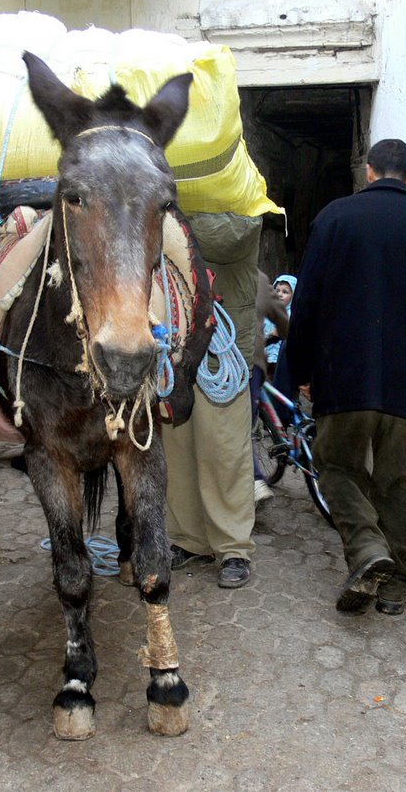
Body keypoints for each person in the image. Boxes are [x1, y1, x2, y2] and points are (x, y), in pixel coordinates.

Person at [285, 139, 406, 617]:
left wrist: (299, 371)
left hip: (343, 377)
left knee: (337, 466)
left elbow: (307, 305)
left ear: (369, 172)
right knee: (397, 481)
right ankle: (395, 587)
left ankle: (368, 550)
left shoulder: (335, 219)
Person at [162, 213, 262, 589]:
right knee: (179, 448)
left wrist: (168, 211)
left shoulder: (243, 206)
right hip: (176, 346)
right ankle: (190, 539)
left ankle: (233, 547)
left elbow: (228, 239)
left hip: (224, 352)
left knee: (223, 451)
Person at [251, 271, 290, 505]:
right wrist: (282, 332)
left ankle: (256, 480)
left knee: (242, 429)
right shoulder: (260, 279)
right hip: (254, 360)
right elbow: (282, 318)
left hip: (229, 362)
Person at [265, 274, 296, 374]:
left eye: (285, 292)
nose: (280, 294)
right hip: (266, 357)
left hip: (283, 361)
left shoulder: (294, 314)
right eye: (277, 291)